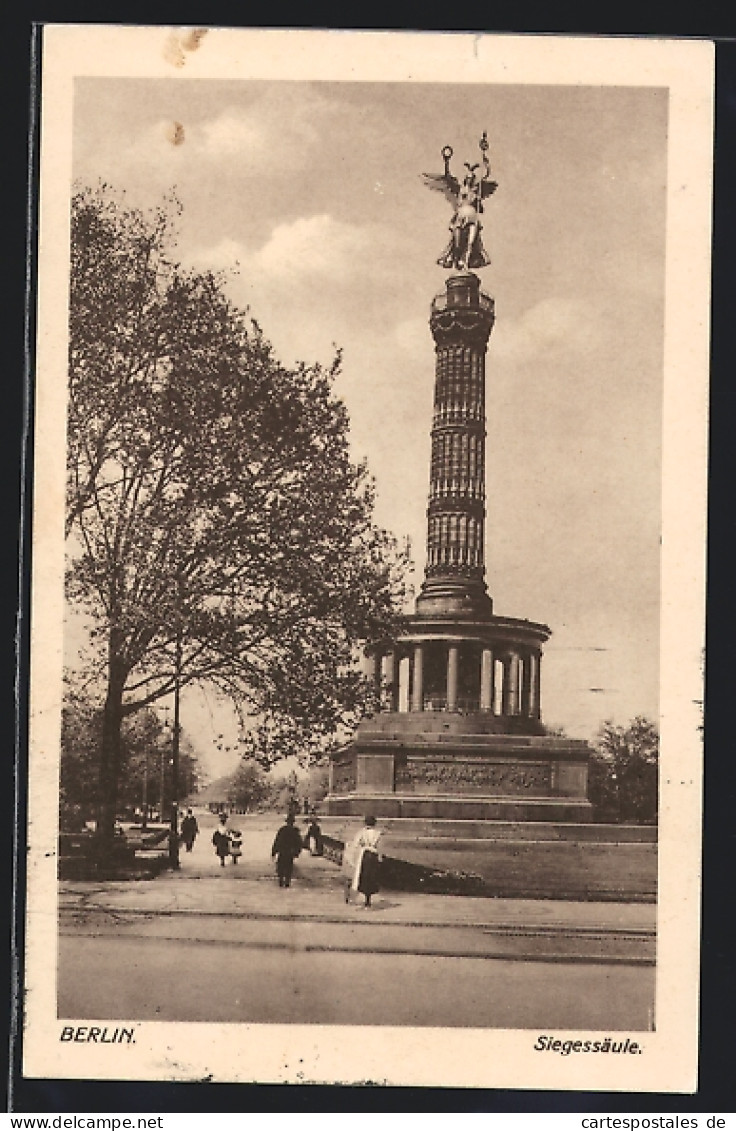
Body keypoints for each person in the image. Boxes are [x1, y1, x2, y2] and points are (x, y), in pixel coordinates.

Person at [347, 815, 383, 908]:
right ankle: (368, 899)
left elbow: (355, 844)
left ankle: (363, 897)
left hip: (365, 855)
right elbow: (380, 848)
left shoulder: (361, 833)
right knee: (372, 876)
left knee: (363, 875)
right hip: (374, 855)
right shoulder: (378, 833)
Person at [271, 813, 303, 888]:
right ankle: (287, 882)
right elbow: (299, 842)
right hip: (290, 852)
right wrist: (297, 852)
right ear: (293, 822)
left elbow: (277, 841)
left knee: (281, 866)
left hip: (282, 851)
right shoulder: (295, 831)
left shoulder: (282, 830)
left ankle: (281, 880)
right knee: (289, 867)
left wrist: (274, 851)